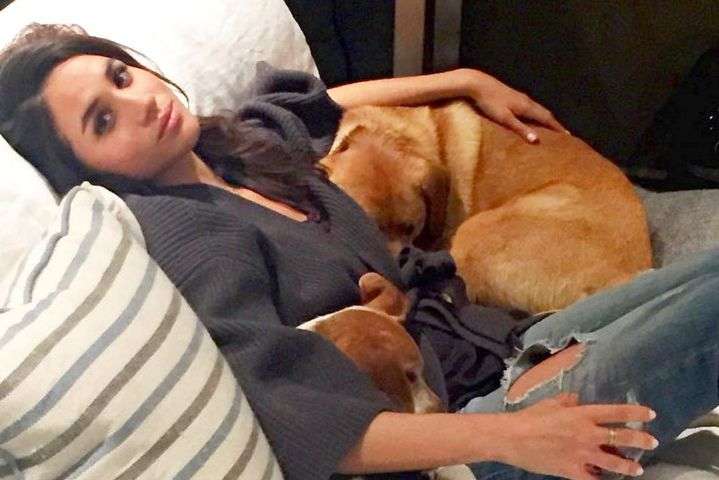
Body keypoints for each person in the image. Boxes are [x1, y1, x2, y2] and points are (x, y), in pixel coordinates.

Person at [0, 24, 716, 480]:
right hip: (461, 432)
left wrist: (467, 81)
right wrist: (510, 437)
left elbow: (330, 103)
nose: (138, 103)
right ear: (85, 169)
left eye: (121, 77)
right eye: (103, 120)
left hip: (497, 343)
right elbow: (301, 423)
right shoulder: (187, 236)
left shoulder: (236, 147)